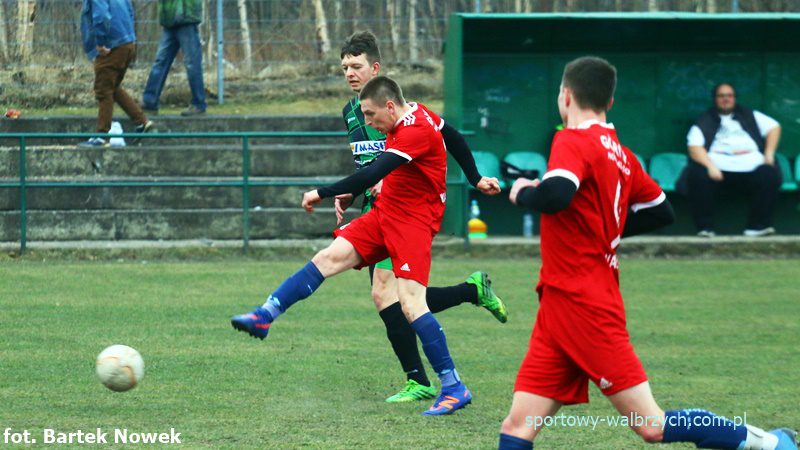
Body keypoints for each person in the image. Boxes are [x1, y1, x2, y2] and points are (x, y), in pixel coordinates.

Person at [498, 57, 797, 450]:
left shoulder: (572, 140)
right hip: (560, 301)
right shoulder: (622, 155)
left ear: (566, 96)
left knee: (651, 425)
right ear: (610, 101)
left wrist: (523, 192)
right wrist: (602, 230)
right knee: (519, 424)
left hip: (583, 303)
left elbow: (555, 195)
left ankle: (772, 444)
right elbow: (661, 211)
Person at [232, 76, 478, 416]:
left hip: (413, 224)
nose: (368, 122)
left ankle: (453, 386)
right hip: (386, 213)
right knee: (327, 258)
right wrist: (477, 178)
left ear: (389, 106)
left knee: (410, 304)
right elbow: (454, 137)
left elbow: (370, 174)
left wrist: (321, 192)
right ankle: (264, 316)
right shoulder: (414, 112)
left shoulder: (416, 130)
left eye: (371, 114)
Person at [334, 30, 506, 404]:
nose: (349, 73)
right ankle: (471, 292)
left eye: (356, 66)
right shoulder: (350, 113)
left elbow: (449, 137)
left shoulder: (404, 109)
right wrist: (352, 191)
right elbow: (369, 164)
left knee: (388, 295)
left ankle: (421, 380)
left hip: (405, 211)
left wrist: (475, 178)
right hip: (375, 210)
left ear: (375, 68)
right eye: (344, 67)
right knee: (394, 297)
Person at [685, 82, 782, 237]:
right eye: (721, 96)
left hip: (751, 170)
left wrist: (769, 153)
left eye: (729, 95)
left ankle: (757, 227)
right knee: (697, 174)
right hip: (717, 172)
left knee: (769, 174)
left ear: (735, 98)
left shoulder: (749, 115)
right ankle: (705, 229)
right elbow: (694, 147)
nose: (726, 99)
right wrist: (710, 166)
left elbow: (774, 127)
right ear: (715, 99)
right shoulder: (705, 120)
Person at [80, 0, 153, 147]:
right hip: (127, 42)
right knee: (112, 87)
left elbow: (101, 16)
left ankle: (102, 136)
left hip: (110, 46)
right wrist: (129, 36)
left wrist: (100, 42)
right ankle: (141, 122)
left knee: (103, 90)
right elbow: (130, 12)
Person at [141, 0, 207, 116]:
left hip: (185, 17)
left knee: (191, 63)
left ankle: (198, 103)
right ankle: (150, 102)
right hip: (171, 19)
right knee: (161, 62)